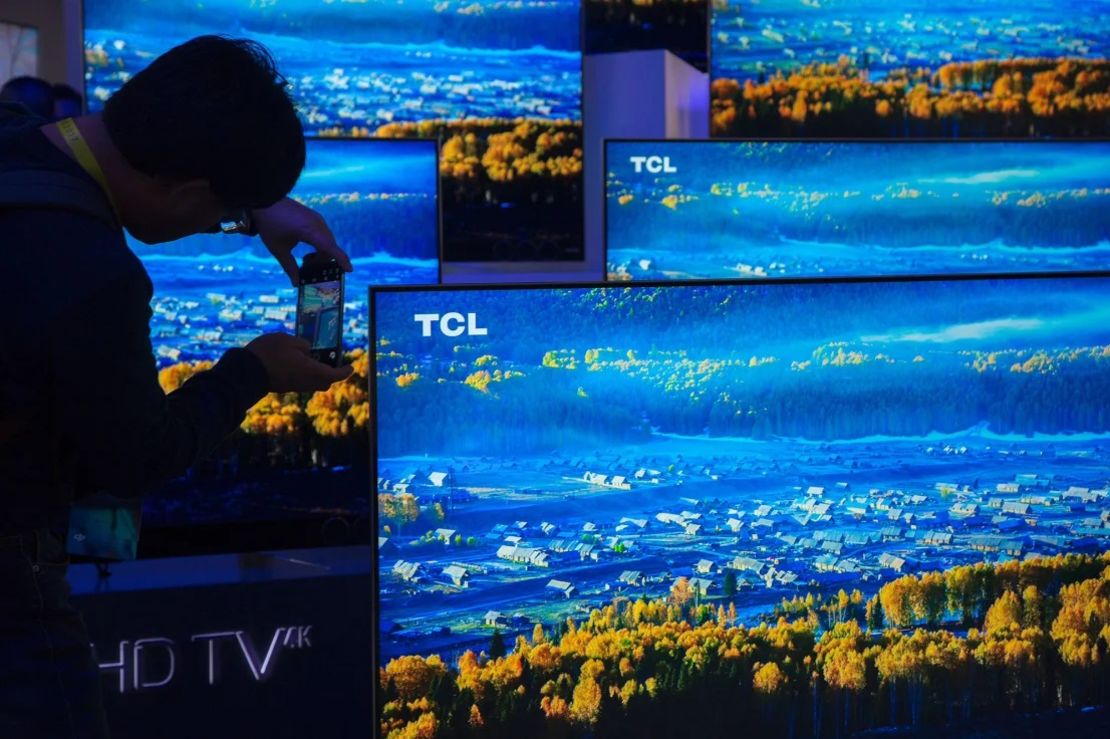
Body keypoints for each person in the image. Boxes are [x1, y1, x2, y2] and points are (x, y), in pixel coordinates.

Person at [0, 36, 354, 738]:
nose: (208, 227)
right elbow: (136, 455)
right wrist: (256, 370)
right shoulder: (95, 276)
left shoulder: (18, 133)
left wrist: (253, 211)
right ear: (190, 189)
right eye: (211, 214)